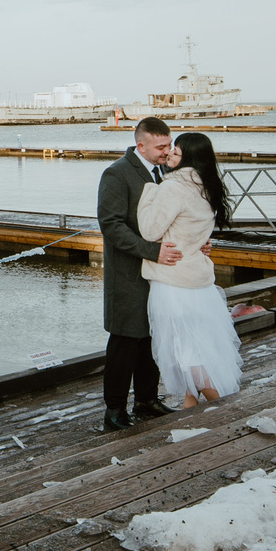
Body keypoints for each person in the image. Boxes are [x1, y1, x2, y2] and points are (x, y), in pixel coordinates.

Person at [137, 130, 244, 408]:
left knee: (187, 354)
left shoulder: (172, 187)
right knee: (196, 348)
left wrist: (150, 191)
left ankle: (226, 410)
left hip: (174, 283)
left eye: (177, 150)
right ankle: (190, 413)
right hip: (199, 283)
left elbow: (149, 230)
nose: (170, 152)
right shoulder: (207, 187)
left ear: (189, 158)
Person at [96, 115, 184, 431]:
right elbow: (111, 225)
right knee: (124, 343)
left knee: (151, 338)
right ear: (141, 145)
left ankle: (146, 400)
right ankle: (115, 411)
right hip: (128, 276)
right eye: (161, 146)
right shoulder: (117, 174)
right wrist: (152, 251)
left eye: (169, 144)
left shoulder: (162, 173)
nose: (167, 151)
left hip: (158, 275)